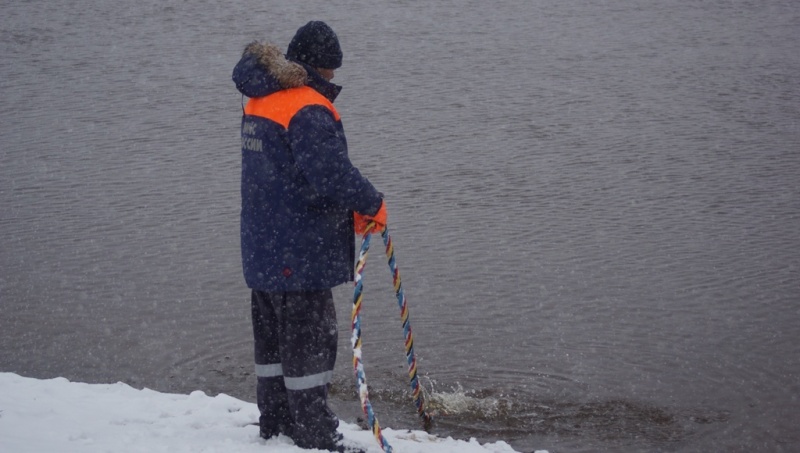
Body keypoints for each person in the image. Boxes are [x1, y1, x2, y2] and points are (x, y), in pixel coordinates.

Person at [231, 21, 387, 452]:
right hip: (300, 252)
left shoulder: (260, 97)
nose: (334, 80)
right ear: (320, 67)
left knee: (272, 346)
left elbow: (286, 173)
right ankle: (315, 434)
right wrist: (370, 203)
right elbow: (330, 173)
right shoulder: (308, 107)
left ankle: (276, 424)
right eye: (332, 71)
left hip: (262, 247)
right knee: (310, 348)